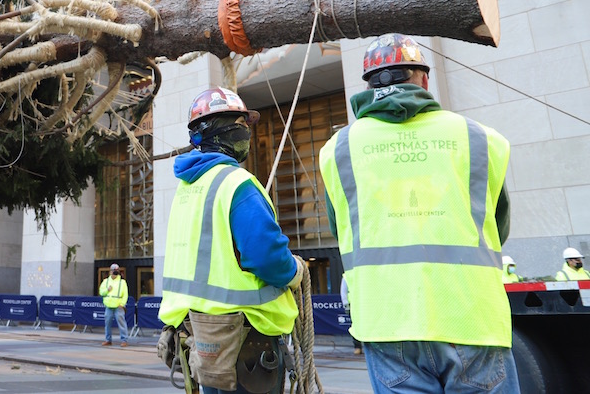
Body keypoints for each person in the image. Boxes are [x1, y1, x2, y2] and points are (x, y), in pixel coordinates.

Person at [319, 33, 519, 393]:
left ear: (369, 84)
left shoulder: (339, 149)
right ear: (423, 80)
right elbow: (497, 227)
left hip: (387, 321)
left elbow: (342, 229)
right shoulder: (478, 138)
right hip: (472, 316)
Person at [159, 87, 302, 394]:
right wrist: (295, 272)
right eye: (240, 124)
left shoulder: (187, 191)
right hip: (245, 340)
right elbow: (266, 257)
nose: (245, 131)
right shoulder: (237, 184)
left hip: (199, 337)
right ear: (222, 130)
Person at [99, 263, 129, 347]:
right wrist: (107, 290)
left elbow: (125, 294)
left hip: (118, 306)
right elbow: (101, 292)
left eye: (116, 270)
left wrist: (122, 304)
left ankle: (124, 340)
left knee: (121, 323)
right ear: (110, 271)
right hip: (109, 306)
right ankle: (108, 340)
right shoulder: (106, 281)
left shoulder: (122, 282)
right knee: (107, 323)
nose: (115, 272)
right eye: (113, 270)